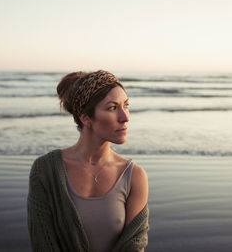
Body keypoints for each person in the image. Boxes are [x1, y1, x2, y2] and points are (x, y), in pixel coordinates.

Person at [27, 70, 149, 252]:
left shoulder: (134, 176)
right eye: (112, 108)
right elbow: (43, 243)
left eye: (126, 105)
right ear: (86, 118)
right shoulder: (45, 170)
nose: (125, 117)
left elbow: (134, 244)